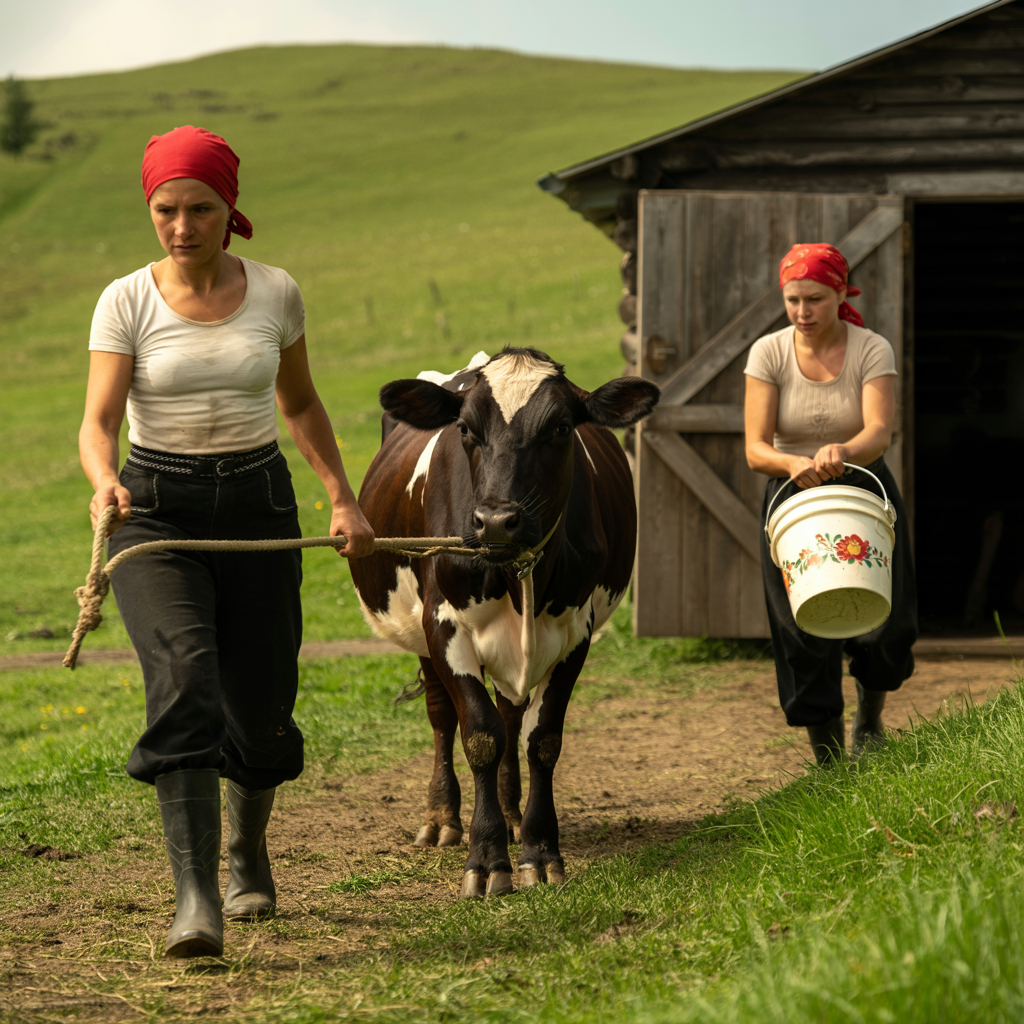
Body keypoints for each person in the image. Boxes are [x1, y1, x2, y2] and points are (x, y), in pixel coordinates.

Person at [78, 125, 374, 957]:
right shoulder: (125, 300)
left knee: (262, 707)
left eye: (199, 208)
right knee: (184, 682)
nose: (181, 226)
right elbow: (97, 423)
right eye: (165, 210)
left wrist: (342, 498)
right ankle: (195, 895)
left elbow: (303, 404)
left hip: (258, 506)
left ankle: (247, 848)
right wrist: (105, 481)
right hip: (156, 512)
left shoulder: (277, 291)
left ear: (228, 207)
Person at [743, 243, 918, 765]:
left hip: (863, 488)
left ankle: (869, 721)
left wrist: (843, 451)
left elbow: (879, 433)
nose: (802, 312)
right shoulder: (768, 352)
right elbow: (755, 449)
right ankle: (829, 762)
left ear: (841, 293)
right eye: (793, 300)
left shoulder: (871, 349)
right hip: (792, 498)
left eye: (815, 299)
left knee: (883, 620)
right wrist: (793, 464)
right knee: (801, 627)